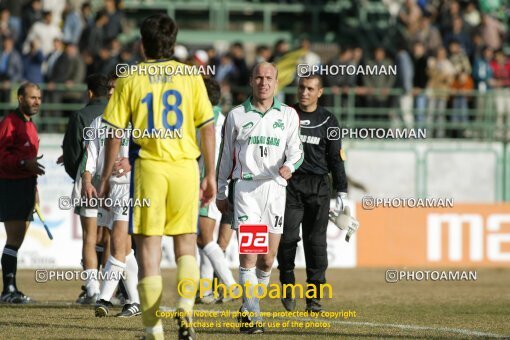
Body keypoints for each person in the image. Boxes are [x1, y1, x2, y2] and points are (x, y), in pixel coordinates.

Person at [98, 14, 216, 340]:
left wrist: (106, 175)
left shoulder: (130, 78)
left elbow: (114, 133)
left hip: (149, 168)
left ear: (142, 43)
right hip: (185, 168)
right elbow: (207, 127)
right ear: (173, 42)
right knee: (186, 247)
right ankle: (186, 309)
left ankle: (153, 331)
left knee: (149, 253)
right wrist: (211, 175)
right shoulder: (191, 77)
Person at [216, 62, 304, 334]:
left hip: (276, 189)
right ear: (251, 81)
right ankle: (254, 316)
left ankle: (248, 307)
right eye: (258, 77)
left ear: (276, 82)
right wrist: (221, 190)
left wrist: (289, 167)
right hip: (247, 190)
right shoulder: (237, 115)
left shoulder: (288, 114)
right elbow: (225, 156)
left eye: (268, 78)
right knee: (249, 257)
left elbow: (297, 151)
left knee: (268, 259)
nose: (263, 82)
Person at [276, 74, 348, 313]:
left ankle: (314, 297)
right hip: (290, 186)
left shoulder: (329, 120)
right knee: (286, 238)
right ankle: (287, 281)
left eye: (310, 89)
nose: (304, 92)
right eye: (301, 88)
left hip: (318, 187)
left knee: (316, 244)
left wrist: (342, 192)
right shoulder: (285, 114)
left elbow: (336, 158)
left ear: (319, 92)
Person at [79, 78, 140, 318]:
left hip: (131, 189)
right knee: (124, 249)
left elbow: (155, 150)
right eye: (111, 89)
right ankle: (136, 301)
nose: (114, 92)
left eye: (119, 89)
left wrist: (132, 162)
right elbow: (90, 157)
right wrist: (87, 181)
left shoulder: (138, 121)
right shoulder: (97, 122)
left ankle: (103, 298)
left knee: (116, 243)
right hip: (107, 191)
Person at [59, 73, 109, 304]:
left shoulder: (80, 115)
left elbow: (72, 153)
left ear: (89, 93)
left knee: (90, 237)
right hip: (115, 184)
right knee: (108, 237)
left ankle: (92, 289)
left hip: (88, 179)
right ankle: (111, 289)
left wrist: (77, 173)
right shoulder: (119, 113)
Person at [0, 82, 44, 303]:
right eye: (32, 97)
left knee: (17, 239)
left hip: (26, 186)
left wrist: (34, 189)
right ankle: (8, 289)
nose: (36, 102)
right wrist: (23, 162)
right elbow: (2, 156)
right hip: (11, 185)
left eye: (39, 98)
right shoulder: (10, 122)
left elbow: (30, 161)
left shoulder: (30, 125)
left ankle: (11, 288)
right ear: (19, 98)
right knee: (14, 238)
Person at [196, 77, 238, 304]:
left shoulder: (204, 120)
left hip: (205, 184)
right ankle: (205, 291)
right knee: (205, 238)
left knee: (204, 238)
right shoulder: (224, 120)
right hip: (221, 185)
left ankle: (230, 286)